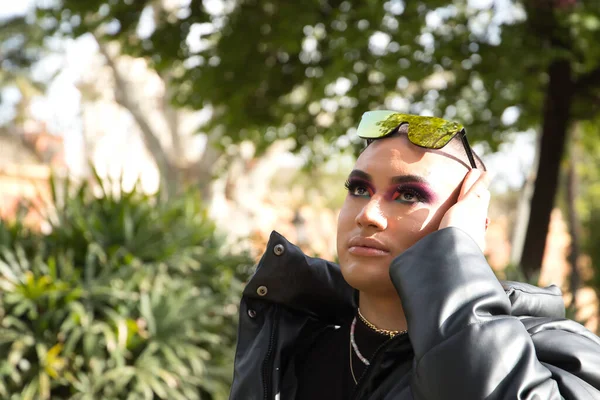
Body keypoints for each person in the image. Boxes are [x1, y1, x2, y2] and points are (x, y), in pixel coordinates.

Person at [229, 111, 600, 399]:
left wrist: (456, 254)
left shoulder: (556, 351)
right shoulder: (294, 343)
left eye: (408, 195)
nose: (367, 214)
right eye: (359, 188)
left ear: (467, 223)